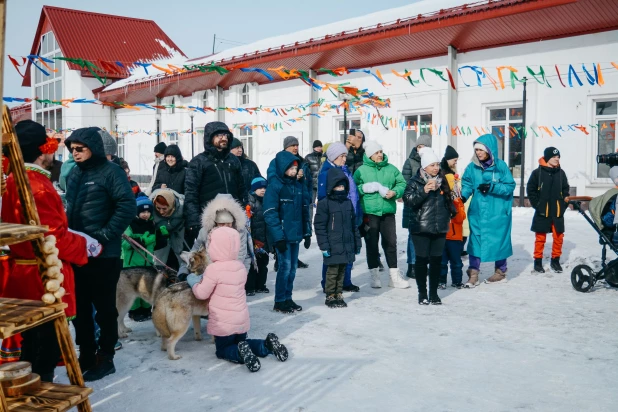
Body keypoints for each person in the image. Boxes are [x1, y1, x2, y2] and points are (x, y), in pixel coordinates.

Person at [0, 120, 89, 382]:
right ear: (42, 151)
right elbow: (52, 238)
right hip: (42, 276)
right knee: (45, 344)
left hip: (22, 272)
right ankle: (40, 394)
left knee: (31, 341)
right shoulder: (37, 185)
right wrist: (84, 246)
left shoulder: (14, 179)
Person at [65, 127, 135, 381]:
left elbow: (127, 206)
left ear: (93, 147)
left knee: (105, 308)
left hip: (105, 254)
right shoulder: (73, 173)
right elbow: (70, 208)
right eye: (72, 149)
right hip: (77, 252)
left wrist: (104, 236)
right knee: (79, 307)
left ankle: (106, 356)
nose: (75, 153)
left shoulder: (111, 171)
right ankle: (86, 352)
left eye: (80, 149)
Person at [186, 227, 288, 373]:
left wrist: (194, 282)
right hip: (240, 320)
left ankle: (240, 354)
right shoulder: (240, 267)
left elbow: (202, 293)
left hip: (223, 324)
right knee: (242, 342)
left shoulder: (213, 270)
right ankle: (266, 345)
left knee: (223, 349)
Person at [461, 134, 516, 287]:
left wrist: (493, 187)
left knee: (499, 241)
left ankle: (500, 272)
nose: (478, 153)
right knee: (475, 242)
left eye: (481, 149)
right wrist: (463, 196)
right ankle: (473, 274)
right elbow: (466, 184)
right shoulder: (472, 167)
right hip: (478, 212)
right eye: (476, 149)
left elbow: (510, 187)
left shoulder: (501, 167)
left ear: (490, 150)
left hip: (497, 212)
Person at [403, 147, 456, 305]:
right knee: (421, 260)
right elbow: (408, 200)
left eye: (437, 164)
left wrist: (450, 212)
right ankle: (422, 293)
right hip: (420, 227)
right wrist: (424, 190)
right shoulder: (415, 181)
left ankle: (433, 293)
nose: (436, 168)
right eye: (432, 165)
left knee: (436, 261)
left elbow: (448, 200)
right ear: (424, 166)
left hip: (439, 227)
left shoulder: (443, 181)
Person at [353, 140, 408, 289]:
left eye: (380, 152)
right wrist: (364, 188)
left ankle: (394, 278)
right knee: (372, 244)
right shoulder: (361, 170)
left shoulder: (391, 169)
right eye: (376, 153)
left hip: (387, 211)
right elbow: (353, 188)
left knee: (391, 243)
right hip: (369, 212)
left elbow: (402, 183)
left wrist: (395, 192)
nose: (380, 154)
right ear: (370, 155)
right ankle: (374, 276)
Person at [185, 122, 247, 246]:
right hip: (210, 219)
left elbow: (241, 188)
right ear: (210, 137)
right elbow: (191, 193)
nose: (223, 138)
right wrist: (194, 221)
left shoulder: (233, 160)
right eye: (219, 135)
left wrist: (244, 209)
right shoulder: (198, 162)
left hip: (231, 217)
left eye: (225, 135)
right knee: (212, 255)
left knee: (232, 252)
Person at [264, 151, 311, 314]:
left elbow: (305, 209)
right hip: (282, 235)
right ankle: (279, 300)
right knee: (285, 267)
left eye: (295, 168)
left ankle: (288, 297)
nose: (294, 171)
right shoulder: (275, 186)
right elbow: (270, 212)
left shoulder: (298, 185)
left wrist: (307, 233)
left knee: (292, 269)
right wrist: (278, 237)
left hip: (295, 235)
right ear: (283, 168)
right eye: (291, 168)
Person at [317, 142, 361, 292]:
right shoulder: (327, 173)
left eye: (345, 156)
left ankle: (345, 281)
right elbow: (324, 198)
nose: (344, 159)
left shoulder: (344, 170)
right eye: (342, 156)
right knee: (333, 255)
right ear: (334, 156)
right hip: (335, 218)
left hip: (347, 214)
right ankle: (328, 285)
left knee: (346, 252)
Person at [177, 193, 252, 281]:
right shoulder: (205, 232)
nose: (225, 227)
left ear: (234, 219)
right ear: (215, 221)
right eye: (221, 223)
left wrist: (237, 279)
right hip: (208, 276)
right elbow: (193, 253)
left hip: (232, 278)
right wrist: (183, 272)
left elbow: (241, 257)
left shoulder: (240, 233)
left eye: (228, 223)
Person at [267, 136, 312, 269]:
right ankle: (279, 259)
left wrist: (306, 193)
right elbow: (272, 178)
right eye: (292, 145)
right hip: (284, 201)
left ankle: (294, 259)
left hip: (299, 198)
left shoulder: (302, 162)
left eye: (297, 145)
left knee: (295, 231)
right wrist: (290, 177)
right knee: (283, 232)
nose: (295, 147)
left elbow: (308, 182)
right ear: (285, 147)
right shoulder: (276, 162)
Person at [526, 147, 570, 273]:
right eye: (554, 157)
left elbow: (566, 189)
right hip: (542, 210)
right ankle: (538, 261)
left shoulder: (561, 173)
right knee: (540, 237)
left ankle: (555, 261)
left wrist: (563, 204)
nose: (556, 159)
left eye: (558, 157)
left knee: (559, 237)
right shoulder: (537, 173)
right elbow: (531, 189)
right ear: (547, 158)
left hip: (557, 210)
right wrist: (537, 204)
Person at [121, 195, 157, 322]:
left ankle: (146, 310)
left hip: (147, 263)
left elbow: (155, 244)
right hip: (132, 264)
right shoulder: (130, 224)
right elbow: (125, 243)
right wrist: (141, 240)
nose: (145, 214)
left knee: (147, 287)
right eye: (142, 211)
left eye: (148, 211)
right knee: (133, 288)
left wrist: (163, 236)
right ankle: (135, 312)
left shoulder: (152, 224)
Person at [401, 135, 433, 279]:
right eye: (419, 146)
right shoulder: (410, 162)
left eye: (424, 147)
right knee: (413, 237)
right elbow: (405, 183)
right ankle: (412, 265)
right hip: (414, 205)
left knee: (426, 236)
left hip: (428, 206)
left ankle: (423, 263)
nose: (421, 150)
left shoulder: (433, 162)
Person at [439, 145, 466, 289]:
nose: (455, 163)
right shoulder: (446, 177)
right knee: (447, 260)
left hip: (453, 232)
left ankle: (453, 281)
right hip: (448, 231)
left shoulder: (456, 198)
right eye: (454, 160)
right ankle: (445, 281)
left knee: (452, 261)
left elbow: (461, 214)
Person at [150, 189, 185, 270]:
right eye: (158, 208)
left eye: (164, 208)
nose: (161, 212)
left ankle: (183, 274)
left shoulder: (182, 205)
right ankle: (158, 275)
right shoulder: (151, 207)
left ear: (171, 204)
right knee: (159, 255)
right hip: (160, 232)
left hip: (178, 230)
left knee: (181, 253)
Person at [247, 177, 270, 295]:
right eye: (260, 188)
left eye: (265, 187)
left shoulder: (267, 201)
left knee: (263, 264)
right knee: (251, 265)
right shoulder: (249, 202)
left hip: (264, 239)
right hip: (252, 239)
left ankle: (261, 285)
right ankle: (250, 287)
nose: (263, 190)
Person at [305, 139, 323, 216]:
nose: (319, 148)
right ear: (314, 147)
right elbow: (306, 171)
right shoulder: (308, 157)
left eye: (320, 146)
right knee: (310, 204)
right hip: (312, 184)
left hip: (322, 184)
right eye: (317, 146)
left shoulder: (324, 157)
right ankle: (309, 224)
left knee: (322, 205)